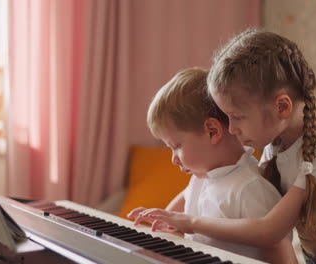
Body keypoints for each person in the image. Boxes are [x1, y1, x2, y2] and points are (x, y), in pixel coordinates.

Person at [133, 30, 316, 264]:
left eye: (237, 117)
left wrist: (189, 222)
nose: (232, 128)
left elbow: (270, 232)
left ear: (281, 107)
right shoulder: (276, 145)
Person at [127, 67, 297, 263]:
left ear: (212, 131)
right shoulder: (202, 178)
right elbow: (174, 216)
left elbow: (277, 247)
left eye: (176, 146)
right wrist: (161, 222)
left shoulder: (249, 189)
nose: (174, 158)